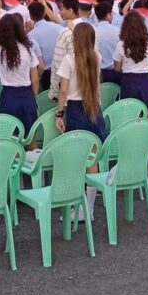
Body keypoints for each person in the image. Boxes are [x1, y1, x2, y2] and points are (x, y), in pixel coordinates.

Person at [55, 22, 106, 220]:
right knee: (91, 158)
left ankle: (78, 205)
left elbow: (64, 90)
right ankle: (89, 208)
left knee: (76, 160)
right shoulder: (97, 57)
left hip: (75, 109)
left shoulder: (69, 60)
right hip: (93, 106)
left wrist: (60, 113)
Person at [0, 12, 40, 133]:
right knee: (30, 134)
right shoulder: (28, 49)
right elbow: (35, 79)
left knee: (8, 134)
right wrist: (33, 97)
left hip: (8, 95)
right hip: (27, 94)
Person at [113, 10, 148, 114]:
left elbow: (117, 68)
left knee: (130, 114)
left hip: (129, 81)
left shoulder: (121, 45)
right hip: (146, 80)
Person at [27, 0, 62, 89]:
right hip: (62, 69)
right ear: (44, 13)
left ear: (30, 16)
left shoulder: (30, 36)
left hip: (46, 74)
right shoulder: (58, 27)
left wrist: (37, 76)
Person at [92, 1, 121, 84]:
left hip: (98, 72)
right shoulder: (117, 31)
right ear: (108, 15)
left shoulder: (93, 31)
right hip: (115, 71)